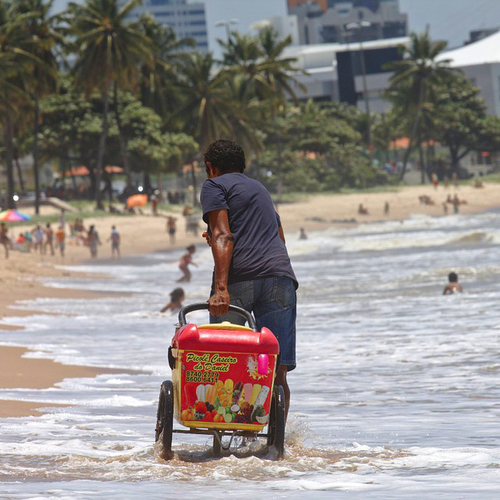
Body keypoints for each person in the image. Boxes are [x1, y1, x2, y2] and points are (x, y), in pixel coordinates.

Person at [200, 139, 298, 421]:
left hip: (240, 279)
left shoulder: (214, 186)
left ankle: (225, 435)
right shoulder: (260, 189)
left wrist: (220, 289)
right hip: (281, 278)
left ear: (211, 167)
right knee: (275, 370)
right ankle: (273, 448)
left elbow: (223, 235)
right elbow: (277, 237)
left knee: (224, 363)